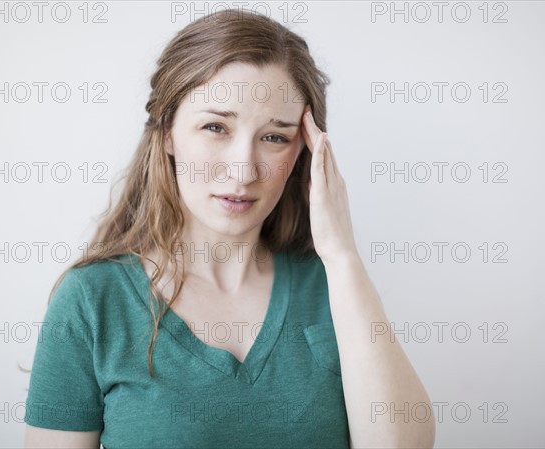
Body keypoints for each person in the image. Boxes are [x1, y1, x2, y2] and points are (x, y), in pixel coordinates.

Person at [24, 8, 435, 449]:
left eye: (275, 136)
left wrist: (342, 255)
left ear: (305, 152)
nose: (243, 170)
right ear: (167, 133)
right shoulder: (92, 299)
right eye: (215, 127)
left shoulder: (333, 288)